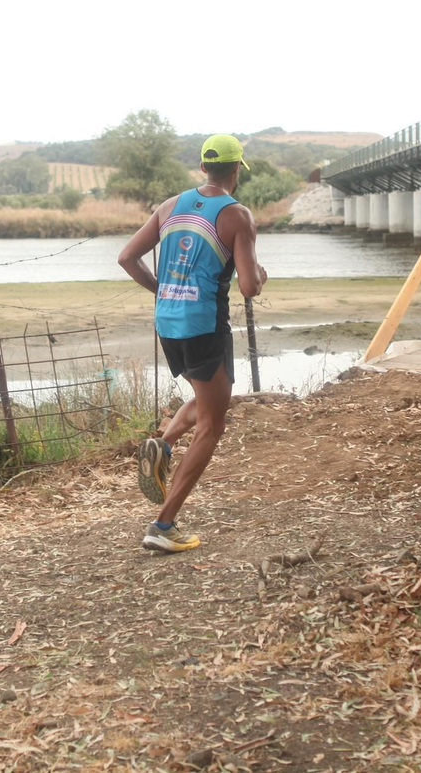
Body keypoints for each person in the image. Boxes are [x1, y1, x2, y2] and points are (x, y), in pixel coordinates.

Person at [117, 133, 266, 553]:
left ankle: (162, 445)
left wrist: (164, 291)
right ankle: (163, 526)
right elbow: (250, 287)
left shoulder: (169, 206)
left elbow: (127, 257)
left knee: (210, 395)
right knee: (213, 424)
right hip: (204, 325)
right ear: (237, 169)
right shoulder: (238, 216)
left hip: (168, 323)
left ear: (203, 167)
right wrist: (260, 273)